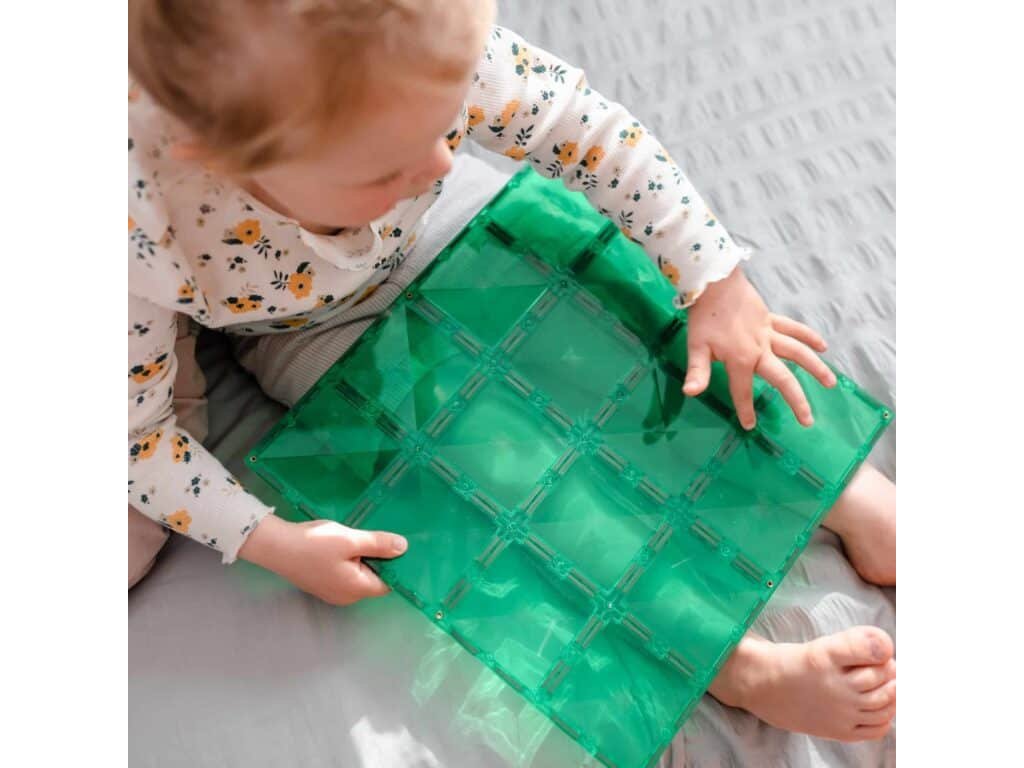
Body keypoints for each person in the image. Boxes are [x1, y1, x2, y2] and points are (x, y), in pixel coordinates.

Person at [128, 0, 895, 741]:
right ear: (231, 160)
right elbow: (137, 439)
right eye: (392, 159)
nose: (444, 154)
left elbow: (592, 132)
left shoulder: (421, 61)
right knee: (506, 477)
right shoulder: (142, 225)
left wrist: (716, 282)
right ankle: (735, 665)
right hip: (305, 330)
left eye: (448, 121)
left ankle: (843, 489)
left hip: (444, 221)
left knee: (643, 310)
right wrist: (269, 540)